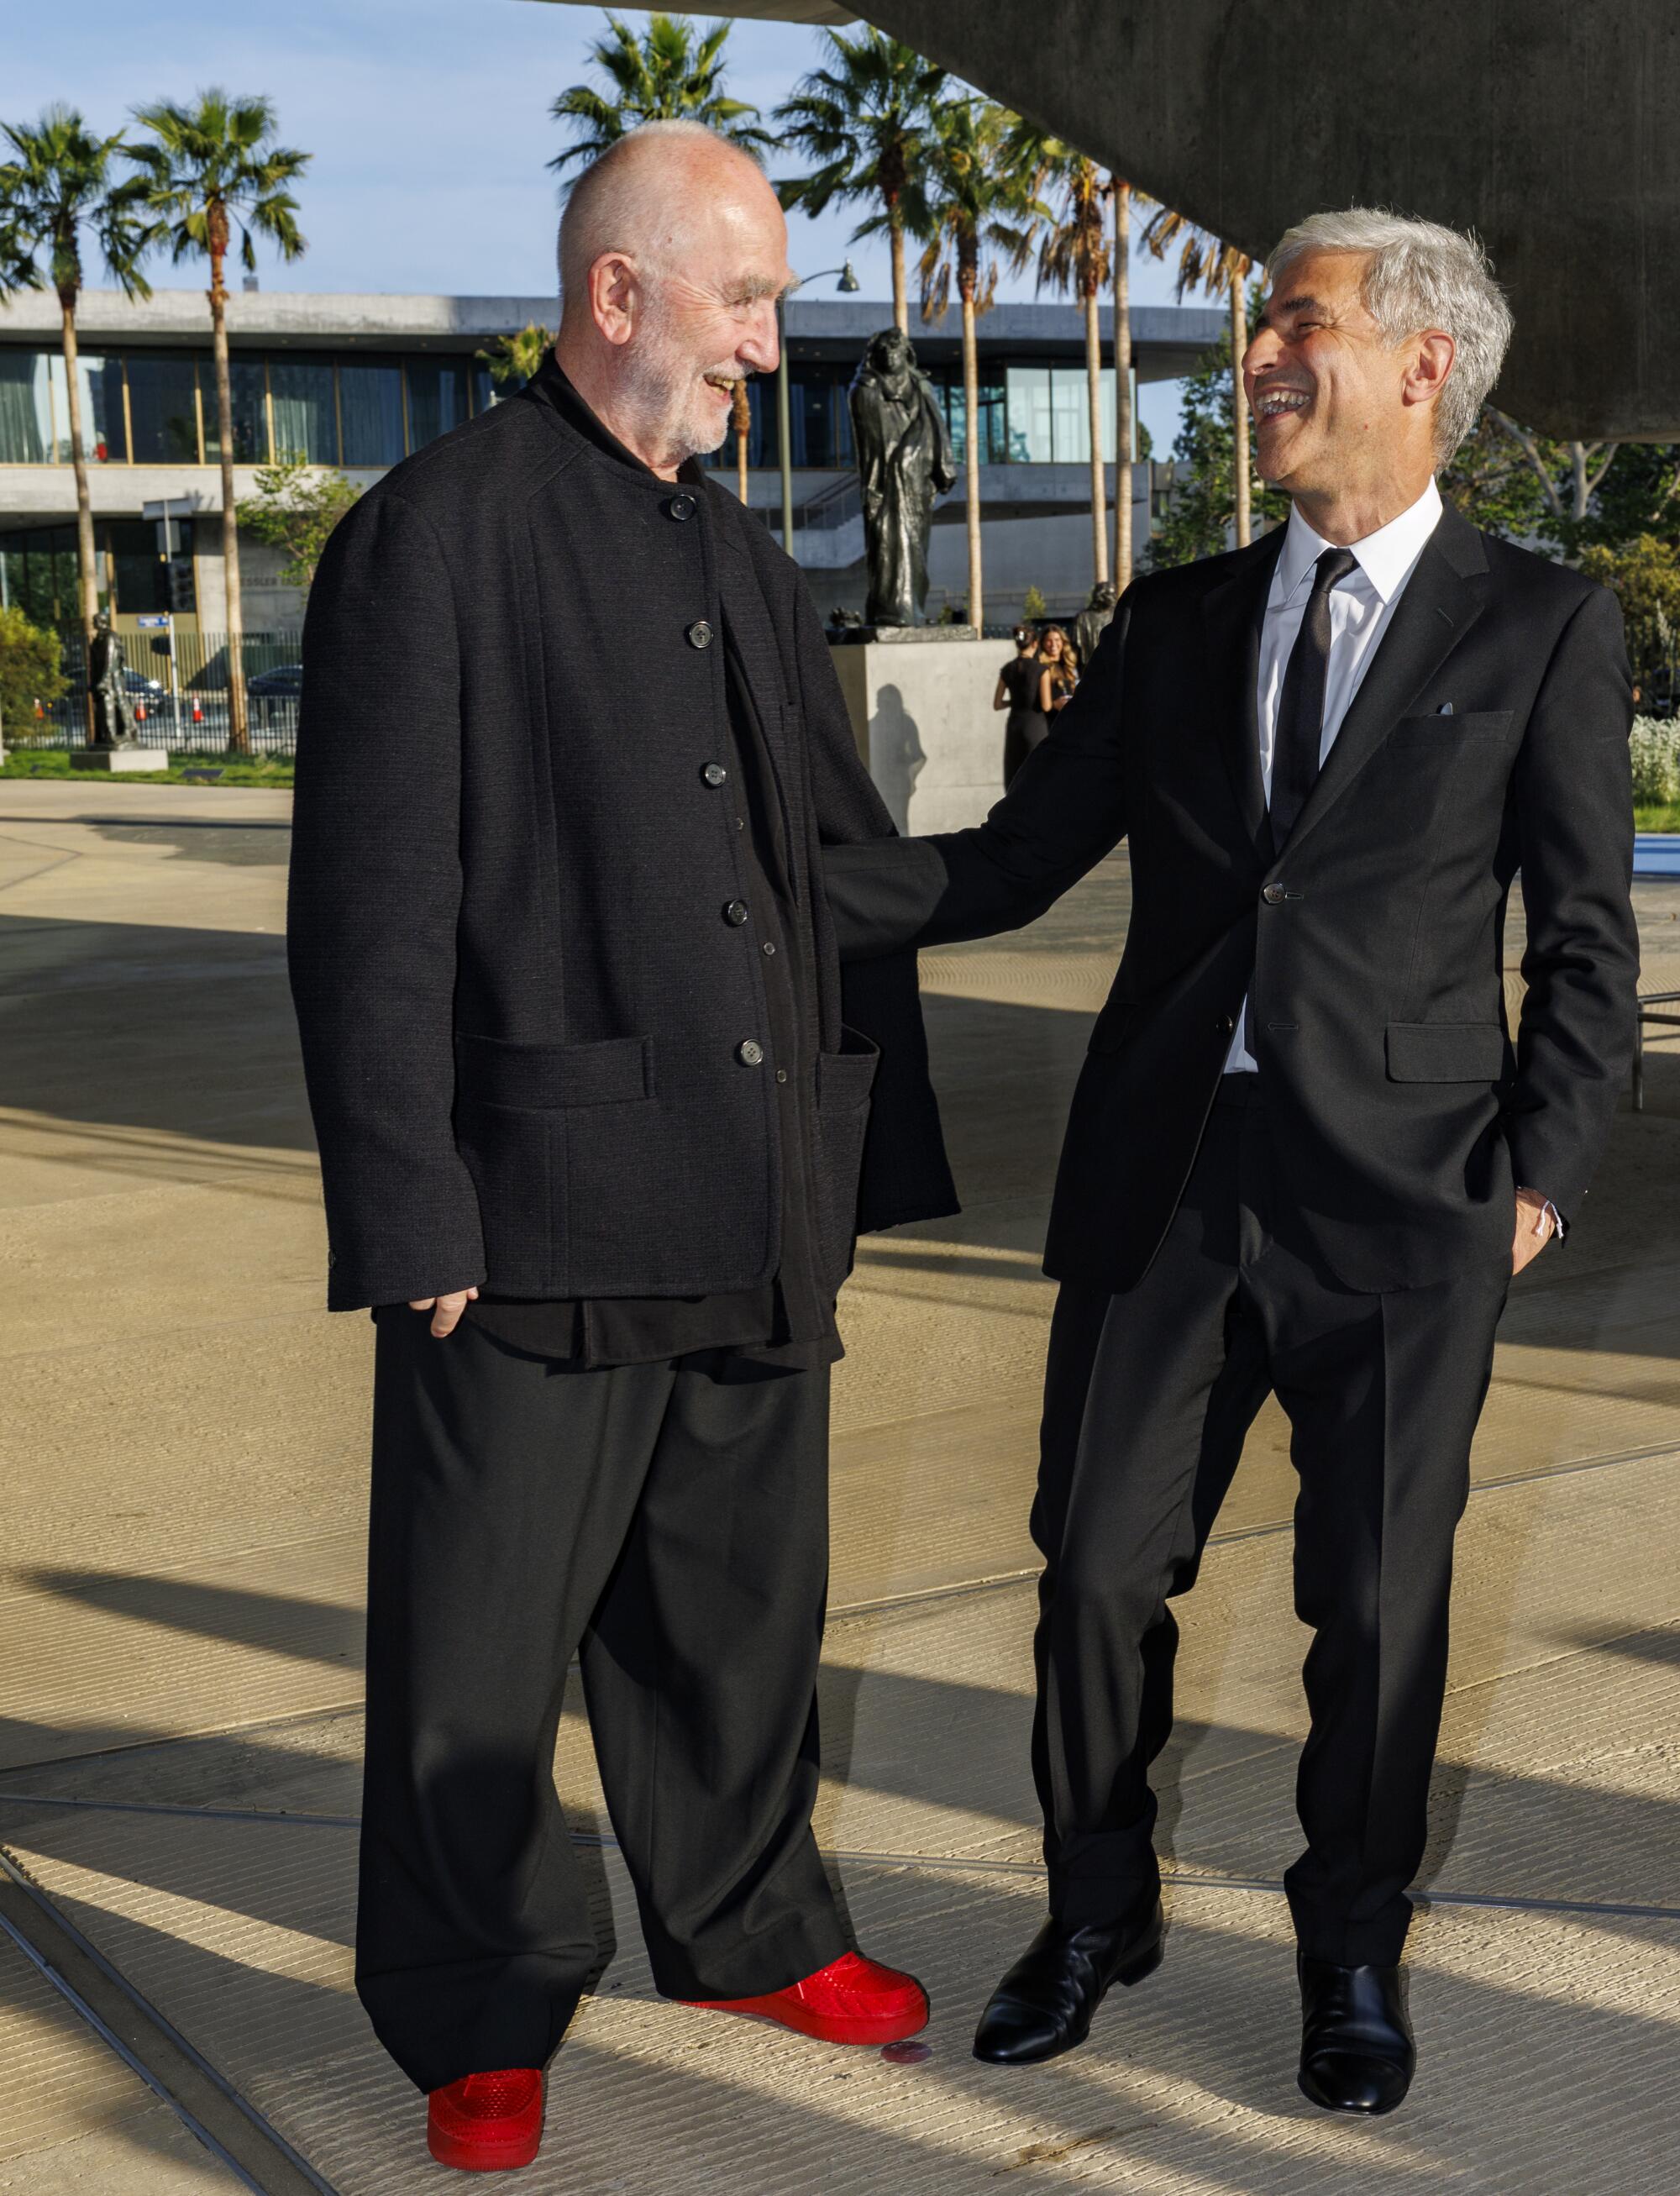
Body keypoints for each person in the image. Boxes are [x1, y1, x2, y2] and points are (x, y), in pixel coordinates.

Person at [822, 208, 1636, 2115]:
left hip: (1407, 1198)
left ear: (1422, 362)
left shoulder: (1539, 622)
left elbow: (1587, 938)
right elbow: (1014, 860)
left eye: (1298, 319)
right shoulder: (1178, 618)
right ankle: (1094, 1908)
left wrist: (1532, 1178)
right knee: (1092, 1571)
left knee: (1376, 1605)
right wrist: (782, 889)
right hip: (1166, 1174)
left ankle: (1349, 1944)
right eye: (1260, 322)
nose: (1258, 352)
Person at [287, 120, 957, 2175]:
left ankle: (749, 1926)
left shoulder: (740, 558)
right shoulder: (432, 535)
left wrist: (1113, 817)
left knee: (737, 1611)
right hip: (530, 1210)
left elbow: (834, 869)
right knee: (478, 1650)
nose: (767, 342)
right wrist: (409, 1198)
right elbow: (372, 911)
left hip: (749, 1187)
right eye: (741, 300)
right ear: (617, 293)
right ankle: (477, 2006)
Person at [996, 624, 1049, 786]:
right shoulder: (1041, 670)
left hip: (1015, 725)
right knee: (1038, 775)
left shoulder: (1007, 669)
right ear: (1035, 644)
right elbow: (1046, 705)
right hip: (1035, 725)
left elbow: (997, 704)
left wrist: (1014, 701)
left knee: (1015, 774)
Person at [1036, 623, 1079, 718]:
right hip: (1050, 720)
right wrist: (1054, 704)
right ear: (1042, 643)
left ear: (1063, 642)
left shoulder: (1069, 665)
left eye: (1057, 640)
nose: (1053, 644)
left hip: (1071, 718)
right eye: (1049, 640)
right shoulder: (1040, 667)